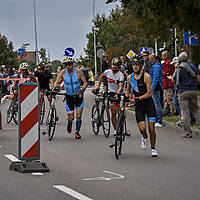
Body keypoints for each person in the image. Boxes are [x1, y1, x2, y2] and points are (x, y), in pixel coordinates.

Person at [125, 55, 158, 157]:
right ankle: (144, 136)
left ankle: (153, 148)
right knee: (143, 129)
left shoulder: (146, 77)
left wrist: (138, 98)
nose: (135, 66)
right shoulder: (130, 77)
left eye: (137, 65)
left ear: (141, 66)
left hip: (149, 105)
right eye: (133, 64)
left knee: (151, 128)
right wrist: (127, 98)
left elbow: (150, 93)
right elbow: (128, 90)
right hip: (139, 106)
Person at [54, 57, 88, 139]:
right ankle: (69, 123)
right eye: (66, 65)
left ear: (72, 64)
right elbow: (56, 82)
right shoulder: (63, 72)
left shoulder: (79, 71)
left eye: (69, 64)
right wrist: (56, 87)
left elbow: (85, 83)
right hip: (69, 97)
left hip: (78, 96)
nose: (67, 66)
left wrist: (81, 90)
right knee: (71, 117)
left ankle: (77, 132)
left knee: (79, 115)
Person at [94, 57, 124, 136]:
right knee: (113, 112)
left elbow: (121, 86)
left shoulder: (120, 75)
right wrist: (98, 85)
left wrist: (117, 94)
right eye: (113, 65)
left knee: (120, 112)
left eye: (116, 65)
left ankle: (121, 125)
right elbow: (101, 76)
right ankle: (115, 129)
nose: (114, 66)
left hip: (119, 93)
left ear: (119, 66)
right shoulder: (107, 72)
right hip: (111, 93)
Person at [174, 52, 200, 138]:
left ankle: (188, 132)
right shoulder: (193, 66)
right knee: (196, 110)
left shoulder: (179, 68)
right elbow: (198, 78)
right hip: (193, 91)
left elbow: (175, 80)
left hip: (183, 92)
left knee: (185, 112)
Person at [149, 53, 163, 127]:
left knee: (157, 104)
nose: (150, 60)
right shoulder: (157, 66)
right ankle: (158, 119)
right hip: (157, 86)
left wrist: (152, 88)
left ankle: (159, 121)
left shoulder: (156, 67)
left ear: (154, 59)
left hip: (156, 87)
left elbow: (155, 78)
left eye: (150, 59)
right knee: (157, 104)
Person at [162, 51, 176, 116]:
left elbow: (167, 73)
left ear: (166, 56)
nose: (162, 57)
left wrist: (162, 73)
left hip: (169, 83)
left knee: (170, 99)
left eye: (163, 55)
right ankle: (166, 111)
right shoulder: (165, 63)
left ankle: (173, 111)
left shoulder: (169, 63)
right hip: (166, 84)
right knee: (166, 99)